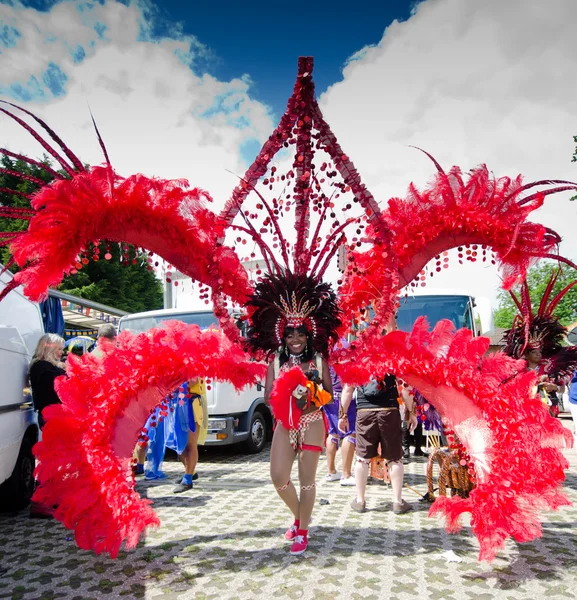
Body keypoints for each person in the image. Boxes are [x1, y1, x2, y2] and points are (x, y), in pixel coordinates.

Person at [246, 272, 340, 556]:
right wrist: (286, 397)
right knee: (278, 477)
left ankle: (303, 531)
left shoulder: (320, 359)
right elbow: (267, 396)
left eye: (300, 333)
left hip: (312, 422)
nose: (296, 338)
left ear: (308, 334)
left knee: (306, 479)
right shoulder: (275, 360)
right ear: (283, 336)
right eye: (290, 333)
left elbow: (329, 395)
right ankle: (299, 516)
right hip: (285, 424)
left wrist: (310, 392)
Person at [339, 318, 417, 514]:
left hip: (364, 412)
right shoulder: (393, 356)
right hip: (389, 412)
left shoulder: (358, 358)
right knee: (395, 458)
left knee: (362, 458)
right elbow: (405, 388)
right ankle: (398, 502)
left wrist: (342, 415)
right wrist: (411, 412)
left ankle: (360, 500)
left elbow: (347, 389)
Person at [28, 333, 66, 518]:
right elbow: (59, 383)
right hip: (51, 418)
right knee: (51, 461)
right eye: (59, 349)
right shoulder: (42, 367)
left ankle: (49, 498)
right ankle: (40, 502)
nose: (62, 352)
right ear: (48, 348)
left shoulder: (45, 367)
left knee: (55, 460)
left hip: (55, 418)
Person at [324, 365, 356, 486]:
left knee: (333, 433)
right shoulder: (347, 351)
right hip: (345, 396)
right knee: (350, 432)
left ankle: (331, 472)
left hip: (329, 397)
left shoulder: (328, 352)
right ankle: (346, 474)